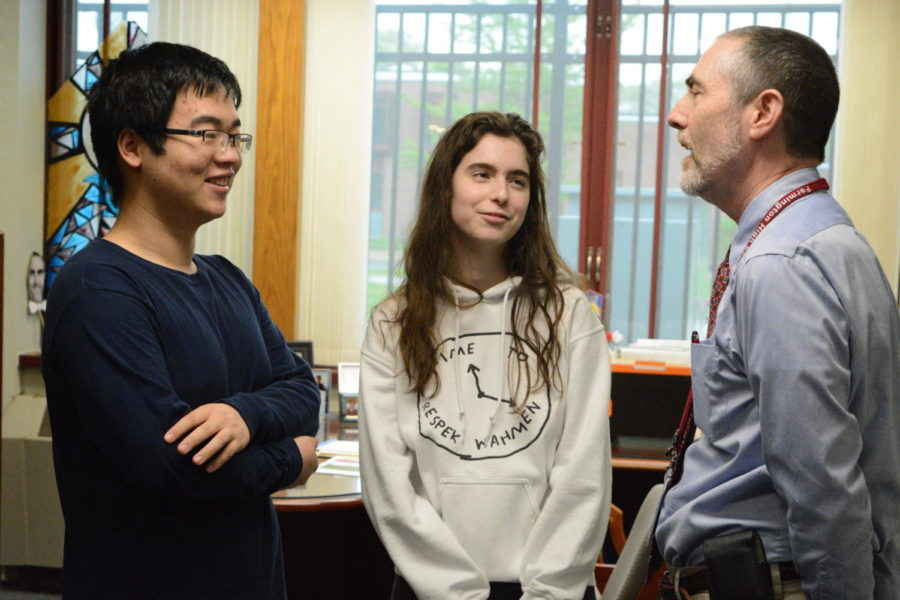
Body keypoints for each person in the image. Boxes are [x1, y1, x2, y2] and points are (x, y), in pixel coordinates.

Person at [41, 42, 320, 599]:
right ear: (132, 146)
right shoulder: (98, 289)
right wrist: (293, 456)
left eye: (234, 135)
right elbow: (172, 469)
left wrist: (242, 415)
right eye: (207, 134)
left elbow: (301, 390)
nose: (230, 156)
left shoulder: (228, 280)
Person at [654, 26, 900, 600]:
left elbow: (822, 485)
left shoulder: (780, 262)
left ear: (762, 112)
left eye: (696, 92)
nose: (675, 115)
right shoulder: (828, 238)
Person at [358, 111, 612, 600]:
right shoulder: (394, 322)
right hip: (431, 589)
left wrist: (549, 592)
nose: (502, 193)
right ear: (444, 187)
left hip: (548, 591)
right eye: (482, 174)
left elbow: (583, 475)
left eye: (517, 180)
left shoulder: (570, 315)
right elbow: (388, 485)